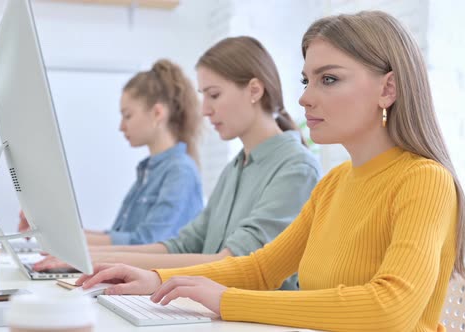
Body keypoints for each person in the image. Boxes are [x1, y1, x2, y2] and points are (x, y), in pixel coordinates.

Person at [77, 11, 465, 332]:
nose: (303, 97)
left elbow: (390, 309)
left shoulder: (425, 181)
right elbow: (262, 268)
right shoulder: (334, 183)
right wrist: (158, 281)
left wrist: (226, 300)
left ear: (388, 89)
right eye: (307, 80)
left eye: (328, 79)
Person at [34, 36, 321, 291]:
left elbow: (236, 262)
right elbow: (182, 244)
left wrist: (97, 258)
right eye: (204, 96)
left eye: (214, 95)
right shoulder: (236, 167)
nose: (206, 110)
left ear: (254, 90)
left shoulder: (296, 168)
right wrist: (88, 257)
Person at [20, 59, 204, 246]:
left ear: (157, 113)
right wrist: (52, 230)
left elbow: (147, 243)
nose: (121, 126)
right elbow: (120, 235)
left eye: (128, 115)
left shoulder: (180, 172)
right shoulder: (150, 171)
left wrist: (60, 236)